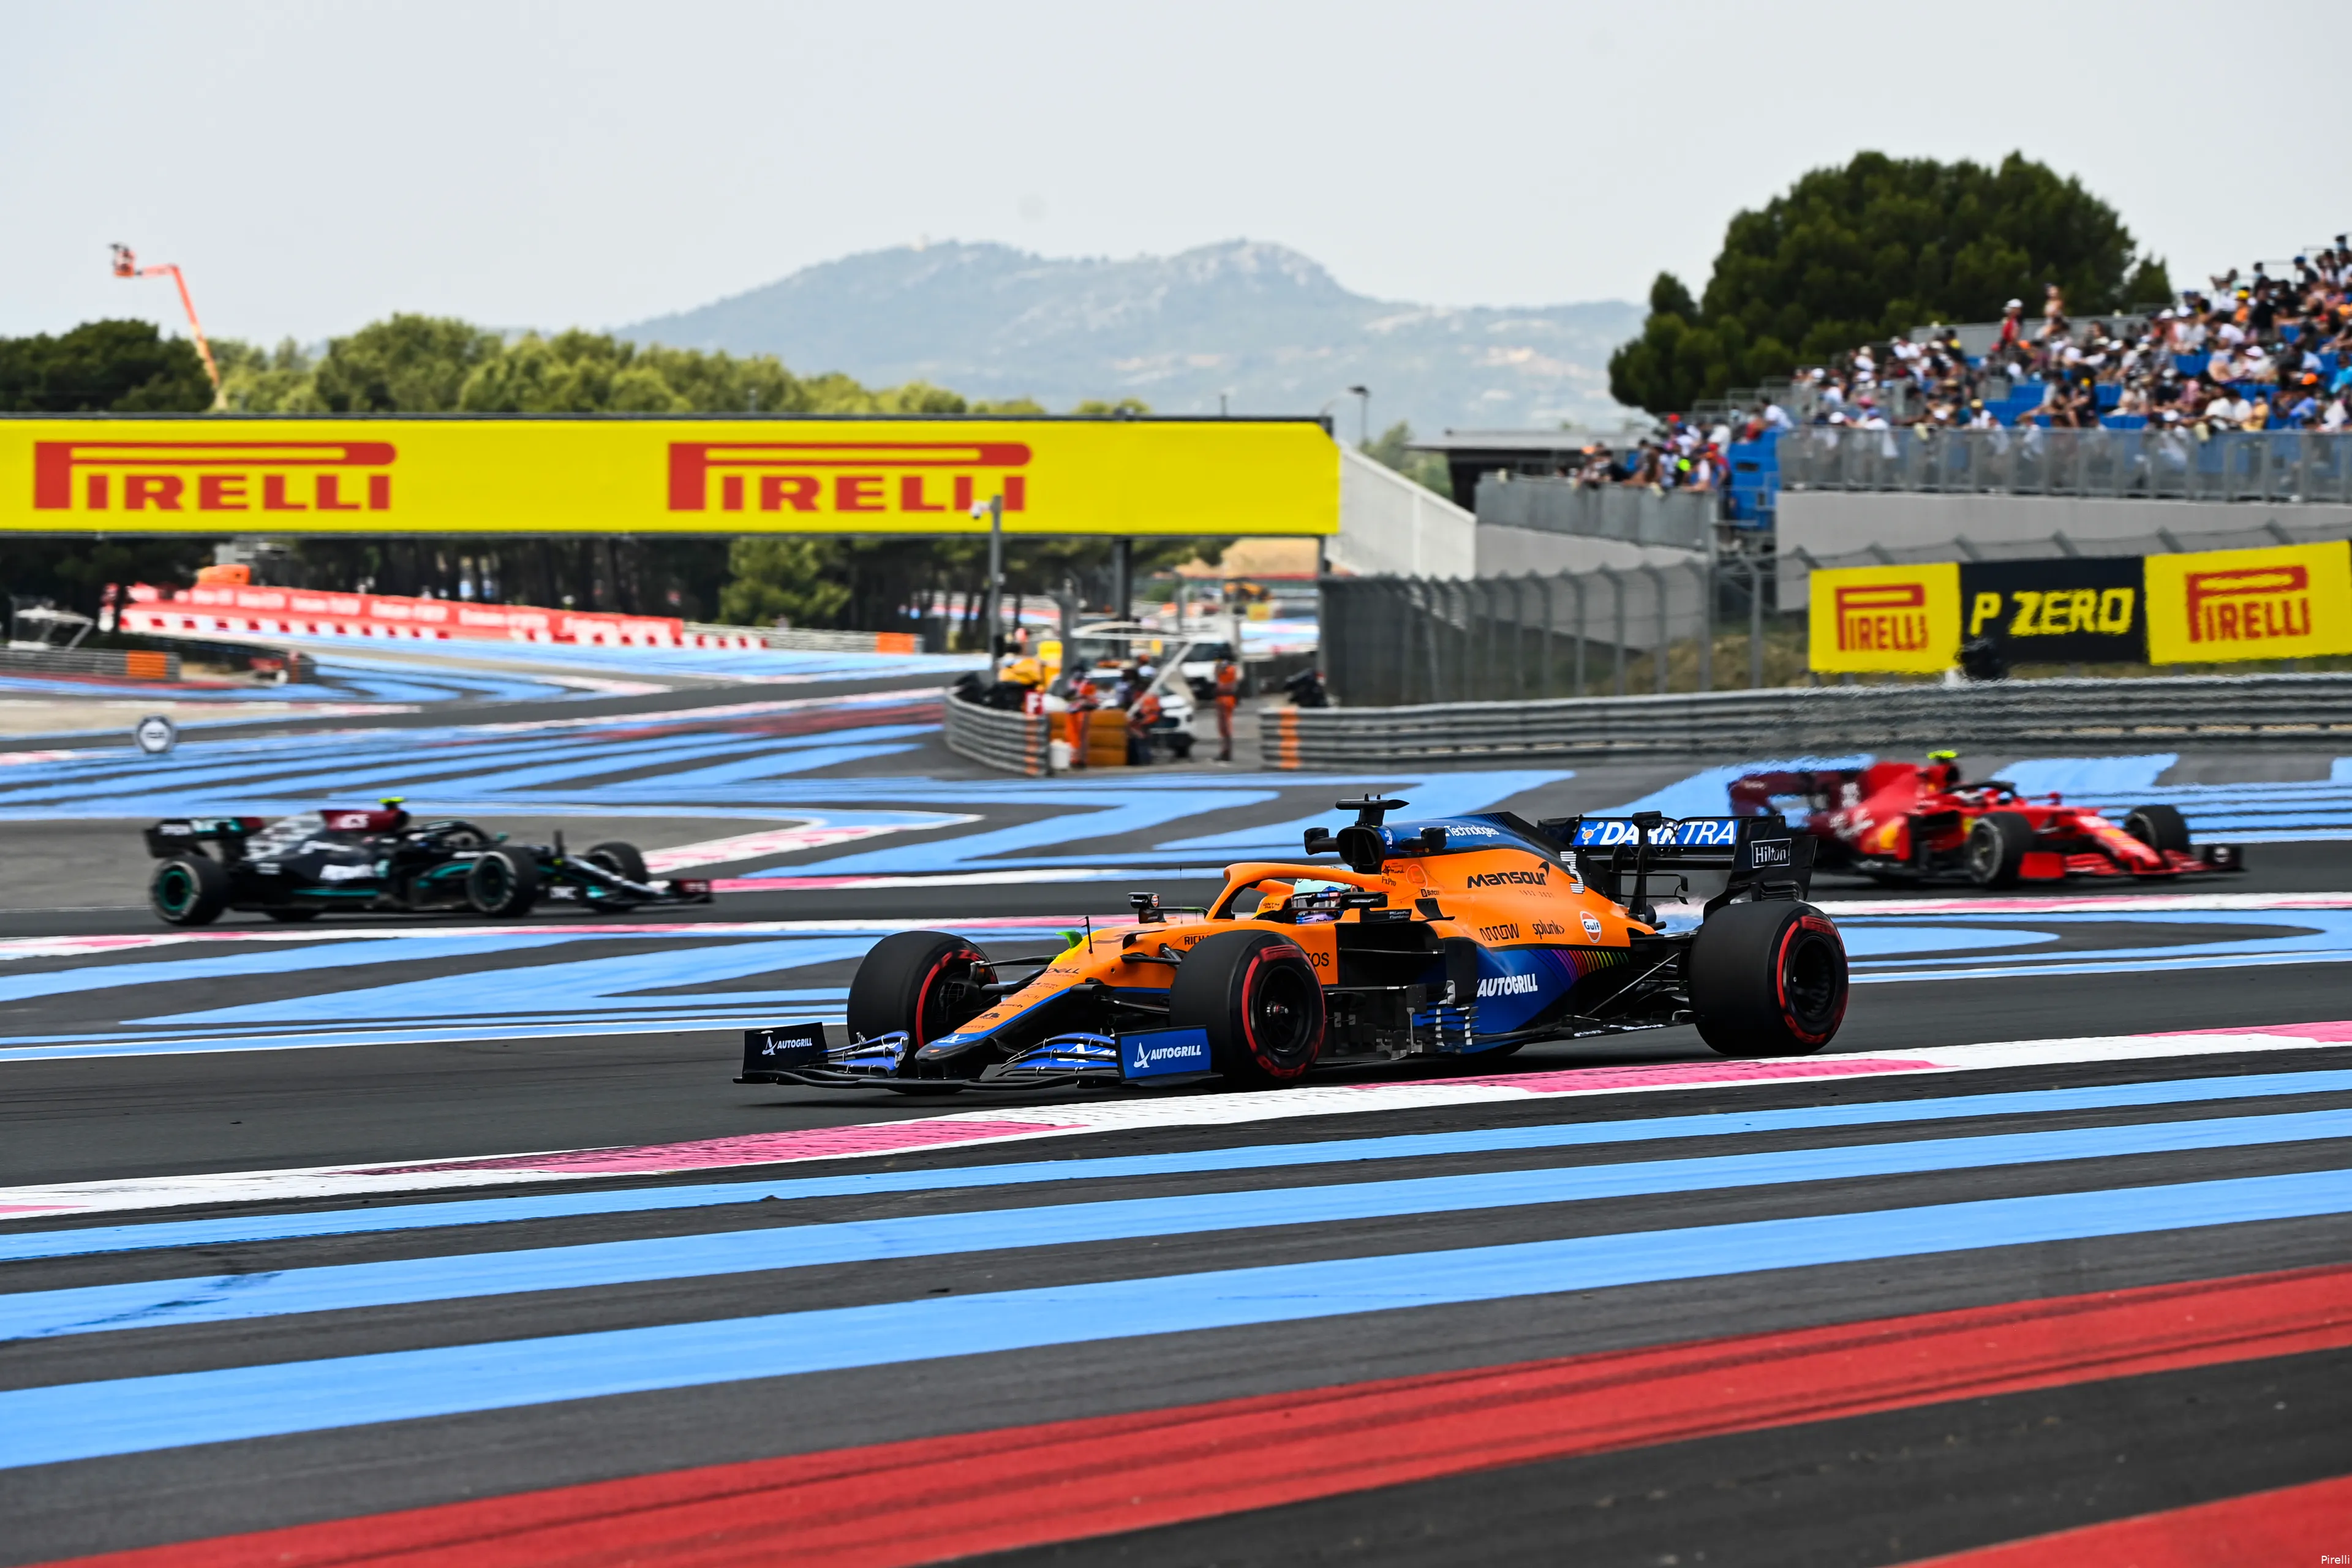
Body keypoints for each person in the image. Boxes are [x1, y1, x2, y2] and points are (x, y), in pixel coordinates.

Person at [1213, 651, 1242, 763]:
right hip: (1221, 699)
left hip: (1227, 699)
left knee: (1226, 727)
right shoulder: (1221, 670)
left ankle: (1227, 751)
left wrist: (1219, 670)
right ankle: (1224, 751)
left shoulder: (1229, 670)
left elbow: (1226, 686)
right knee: (1222, 728)